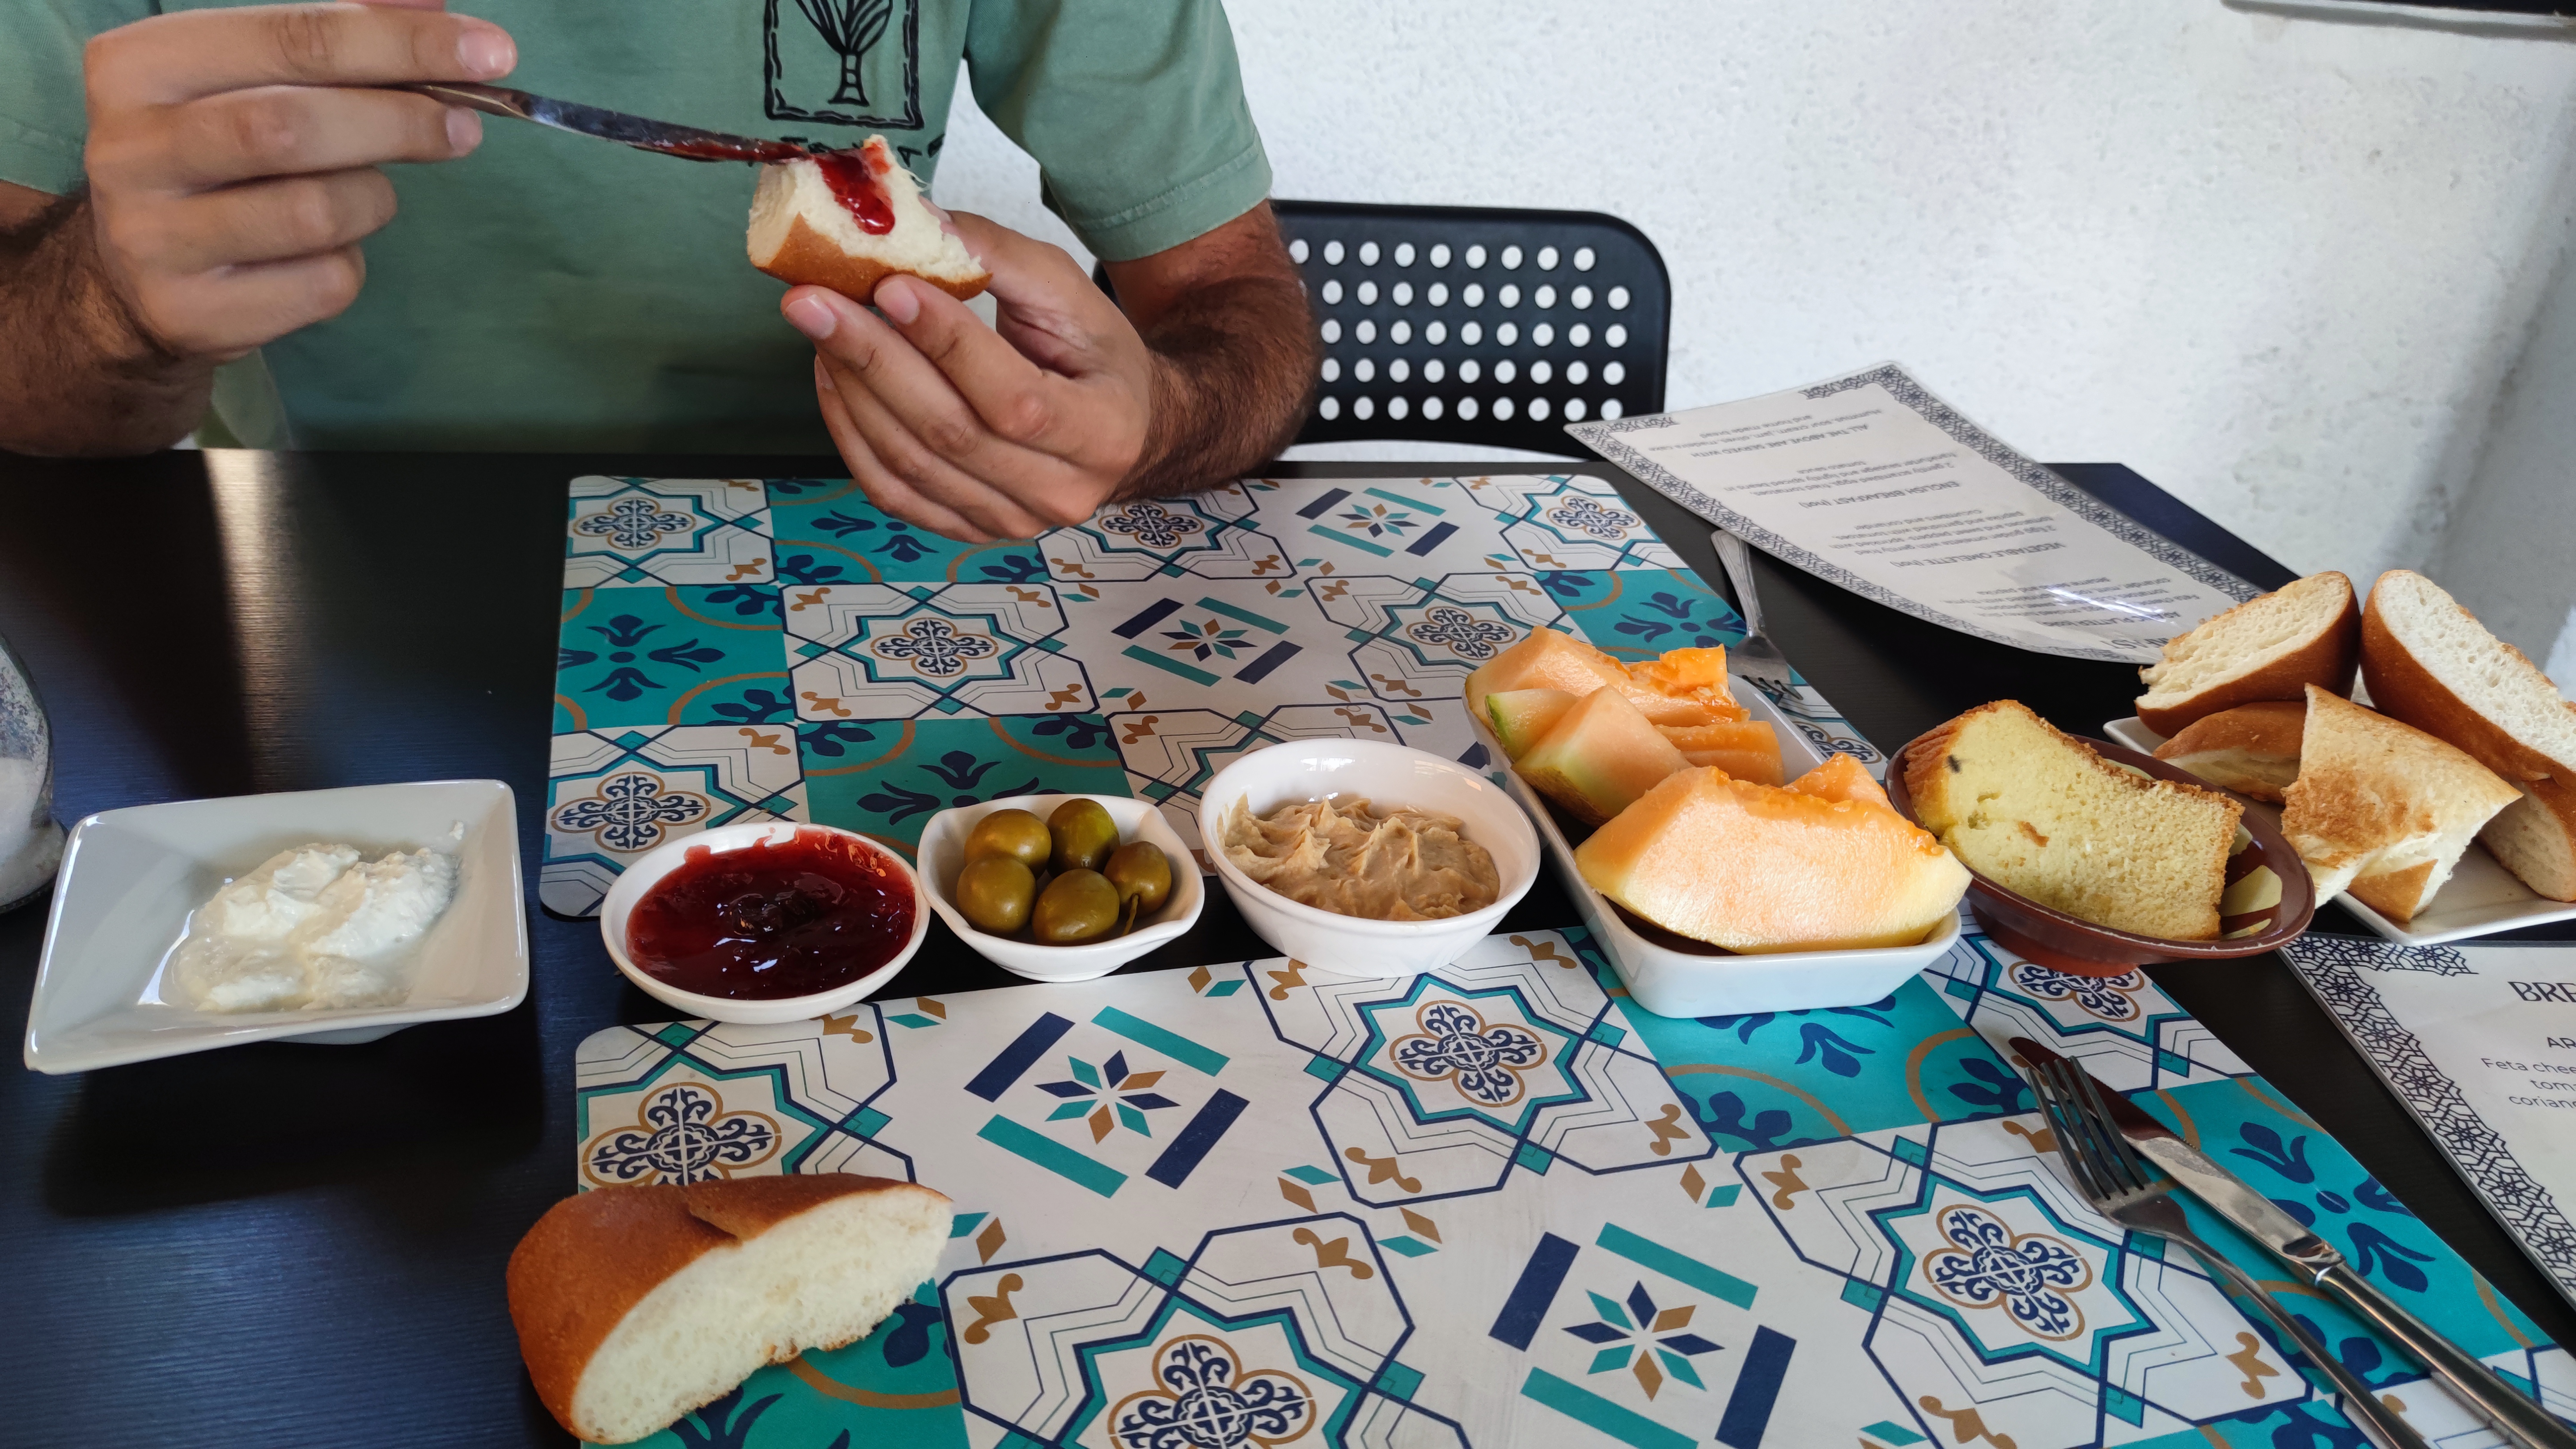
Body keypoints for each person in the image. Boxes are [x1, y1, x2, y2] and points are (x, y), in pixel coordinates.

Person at [0, 0, 1317, 542]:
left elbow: (1236, 306)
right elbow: (25, 377)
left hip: (891, 563)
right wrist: (110, 304)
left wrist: (1151, 421)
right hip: (319, 575)